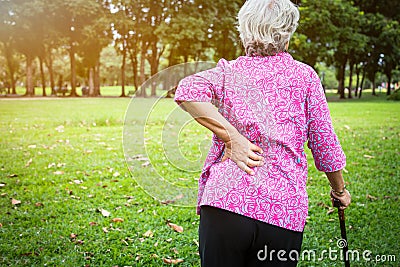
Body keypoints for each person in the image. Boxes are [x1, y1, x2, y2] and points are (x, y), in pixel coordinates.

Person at [174, 0, 351, 266]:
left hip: (224, 205)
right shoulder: (305, 76)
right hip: (282, 210)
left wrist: (231, 138)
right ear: (287, 36)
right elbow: (324, 144)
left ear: (244, 32)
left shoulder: (228, 72)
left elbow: (187, 90)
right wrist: (339, 191)